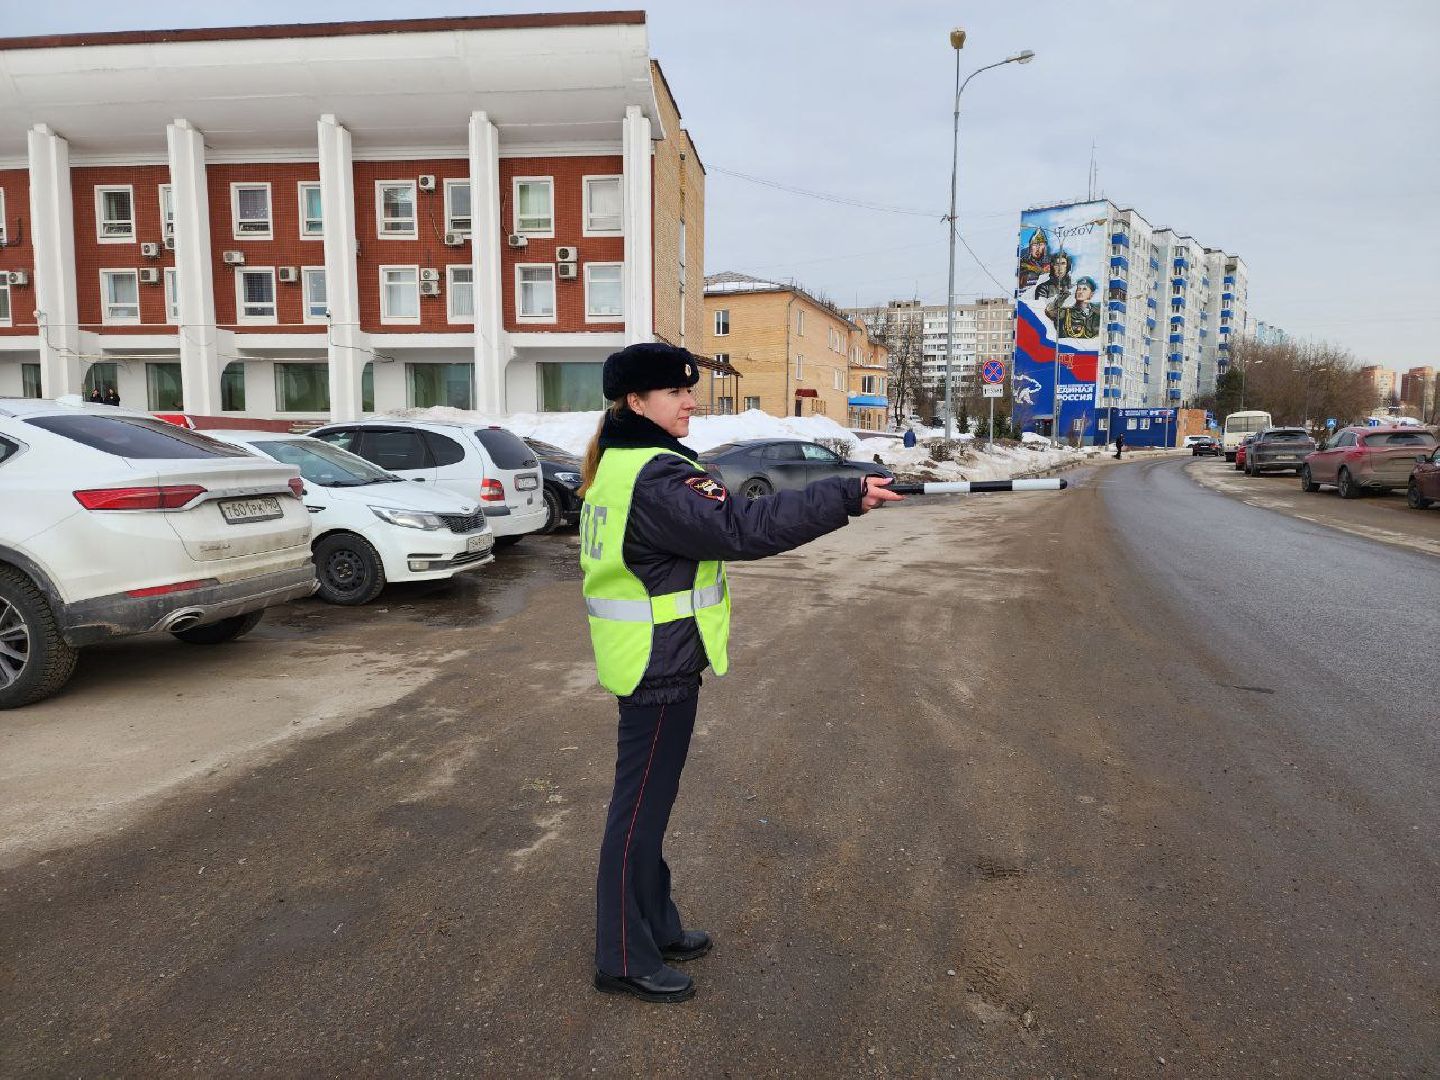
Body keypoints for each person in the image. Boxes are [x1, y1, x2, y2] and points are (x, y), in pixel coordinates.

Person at [578, 342, 900, 1005]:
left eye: (687, 390)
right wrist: (840, 494)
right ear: (636, 402)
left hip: (648, 658)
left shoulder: (623, 463)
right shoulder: (655, 475)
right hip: (655, 665)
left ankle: (656, 926)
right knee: (635, 815)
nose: (690, 400)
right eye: (674, 392)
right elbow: (740, 527)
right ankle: (621, 957)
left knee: (648, 808)